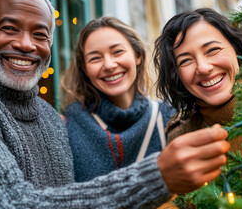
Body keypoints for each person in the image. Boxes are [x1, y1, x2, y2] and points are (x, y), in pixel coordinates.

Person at [0, 0, 230, 208]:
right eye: (9, 28)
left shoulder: (49, 118)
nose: (26, 44)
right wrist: (158, 176)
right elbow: (8, 203)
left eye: (40, 35)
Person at [61, 17, 174, 182]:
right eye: (95, 58)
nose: (109, 65)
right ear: (85, 69)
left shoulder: (169, 117)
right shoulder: (68, 126)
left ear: (138, 55)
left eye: (117, 52)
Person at [154, 8, 242, 151]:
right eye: (185, 60)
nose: (203, 68)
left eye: (212, 50)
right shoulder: (180, 137)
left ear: (236, 49)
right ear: (177, 75)